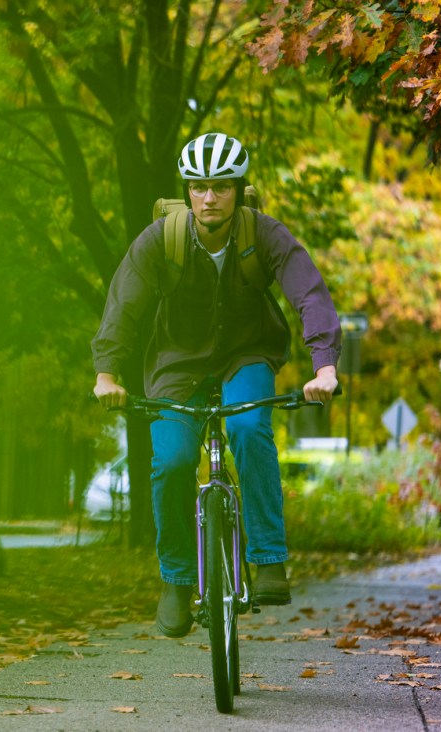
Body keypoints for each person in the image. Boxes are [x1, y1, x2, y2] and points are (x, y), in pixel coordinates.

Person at [91, 132, 341, 637]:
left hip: (245, 357)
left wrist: (325, 366)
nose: (209, 197)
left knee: (249, 429)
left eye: (221, 187)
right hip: (175, 365)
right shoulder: (162, 239)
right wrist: (107, 374)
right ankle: (178, 581)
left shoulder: (264, 234)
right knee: (173, 460)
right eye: (200, 186)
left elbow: (308, 292)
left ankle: (268, 558)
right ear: (187, 190)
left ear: (237, 189)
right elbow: (124, 305)